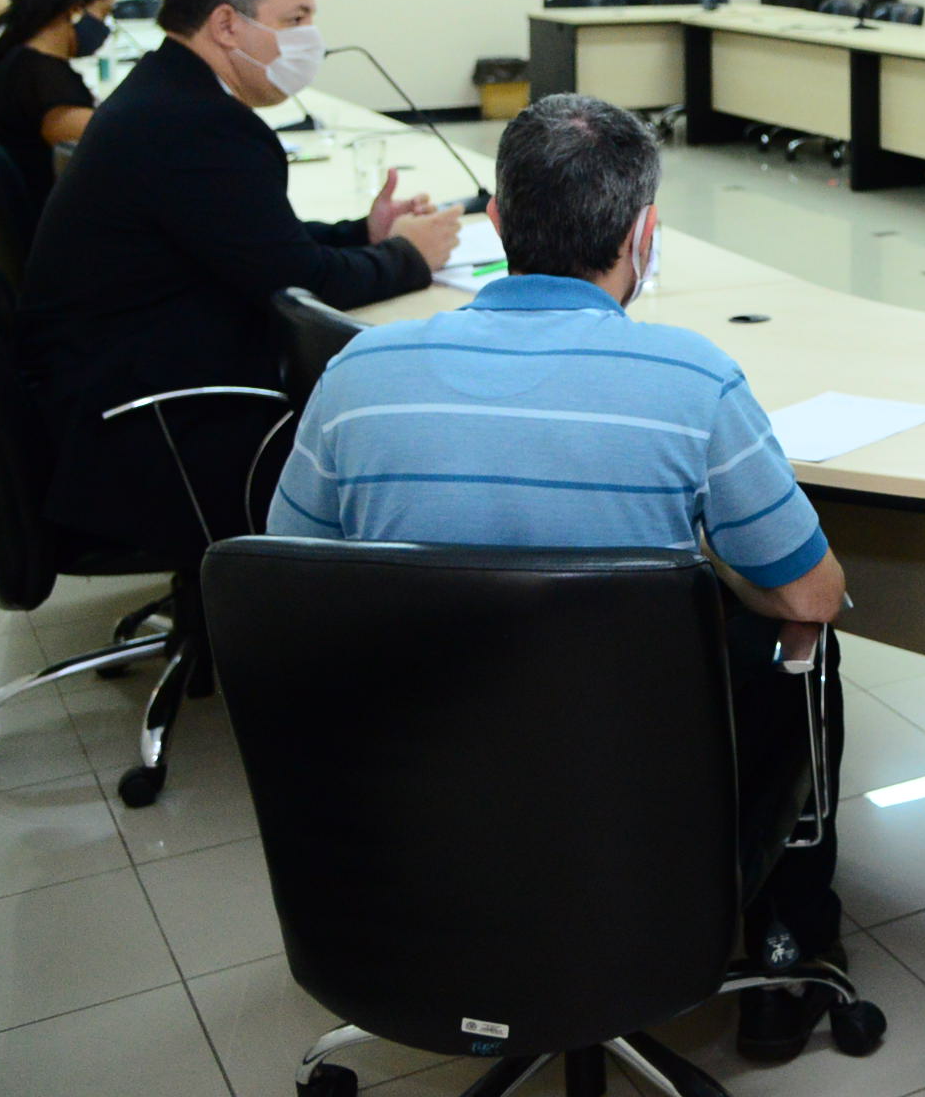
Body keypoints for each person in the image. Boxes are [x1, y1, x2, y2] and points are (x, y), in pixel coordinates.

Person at [268, 94, 853, 1062]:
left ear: (498, 221)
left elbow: (291, 574)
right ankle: (789, 938)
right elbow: (813, 596)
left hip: (414, 781)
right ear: (645, 234)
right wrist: (703, 563)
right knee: (797, 647)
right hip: (627, 794)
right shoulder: (692, 381)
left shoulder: (360, 372)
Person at [18, 0, 463, 559]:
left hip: (110, 392)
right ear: (227, 25)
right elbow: (301, 283)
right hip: (152, 429)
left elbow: (250, 240)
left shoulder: (167, 93)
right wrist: (409, 256)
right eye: (296, 18)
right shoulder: (197, 123)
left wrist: (365, 232)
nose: (311, 38)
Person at [0, 0, 115, 200]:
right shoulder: (46, 82)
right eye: (104, 13)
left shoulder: (7, 58)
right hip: (52, 214)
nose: (105, 25)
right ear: (75, 10)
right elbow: (109, 148)